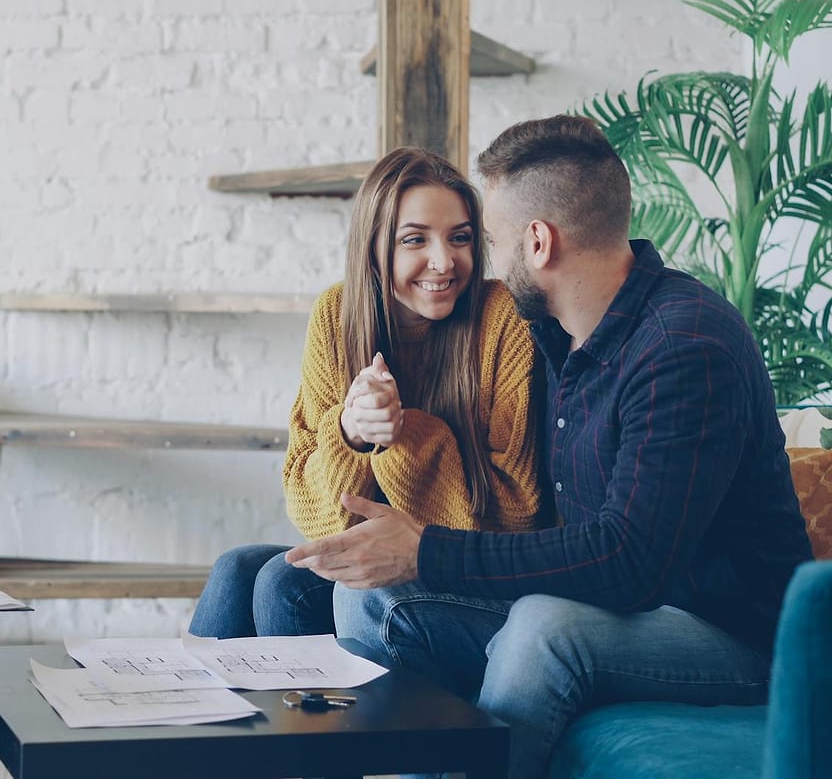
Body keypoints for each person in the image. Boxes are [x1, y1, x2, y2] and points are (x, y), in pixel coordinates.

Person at [286, 115, 814, 779]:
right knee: (364, 596)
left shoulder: (684, 346)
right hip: (628, 606)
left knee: (543, 630)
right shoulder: (562, 337)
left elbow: (630, 560)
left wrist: (425, 547)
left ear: (538, 242)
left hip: (740, 637)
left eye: (490, 241)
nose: (483, 266)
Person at [189, 148, 545, 639]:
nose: (444, 261)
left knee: (279, 583)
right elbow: (310, 508)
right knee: (238, 569)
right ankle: (199, 710)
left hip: (468, 568)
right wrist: (351, 433)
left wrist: (403, 435)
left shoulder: (501, 317)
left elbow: (517, 513)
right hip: (376, 554)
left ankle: (315, 715)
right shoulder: (337, 315)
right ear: (375, 247)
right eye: (415, 239)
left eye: (460, 238)